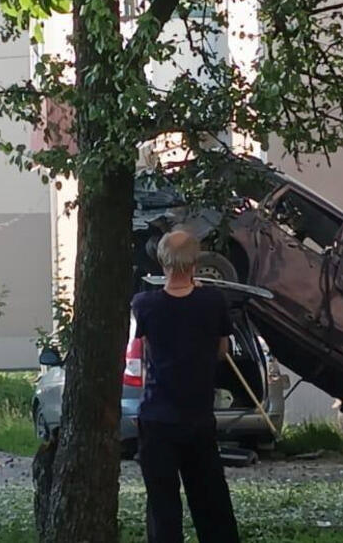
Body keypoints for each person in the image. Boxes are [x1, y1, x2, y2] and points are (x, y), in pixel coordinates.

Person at [131, 231, 239, 543]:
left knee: (163, 509)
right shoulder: (212, 301)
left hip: (157, 418)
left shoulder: (145, 304)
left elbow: (149, 347)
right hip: (198, 418)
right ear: (195, 262)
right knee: (212, 507)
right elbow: (222, 351)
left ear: (162, 261)